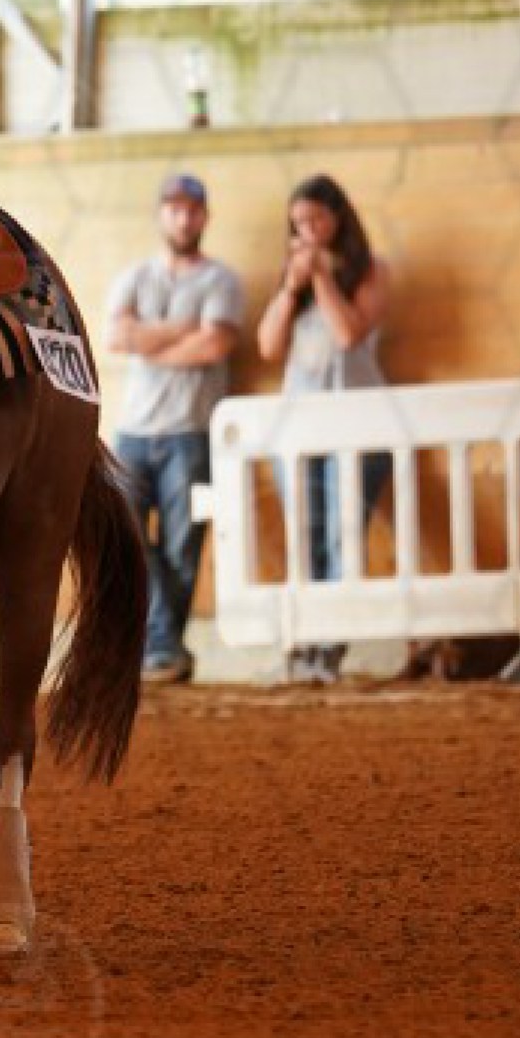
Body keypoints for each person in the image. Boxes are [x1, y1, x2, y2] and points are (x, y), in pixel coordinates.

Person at [103, 170, 244, 687]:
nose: (183, 218)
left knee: (183, 546)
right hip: (133, 432)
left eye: (192, 210)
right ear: (162, 214)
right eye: (175, 209)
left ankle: (161, 648)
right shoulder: (135, 277)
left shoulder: (221, 280)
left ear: (204, 216)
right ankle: (161, 645)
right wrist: (183, 331)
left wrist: (150, 341)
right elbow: (116, 337)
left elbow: (215, 346)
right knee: (126, 536)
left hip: (192, 432)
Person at [255, 172, 393, 684]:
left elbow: (349, 333)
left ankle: (330, 650)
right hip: (299, 428)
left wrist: (321, 278)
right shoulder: (292, 275)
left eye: (316, 219)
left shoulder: (371, 270)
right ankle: (303, 645)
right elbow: (269, 347)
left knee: (342, 536)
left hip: (358, 425)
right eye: (298, 223)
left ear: (338, 217)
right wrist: (291, 288)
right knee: (305, 534)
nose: (307, 231)